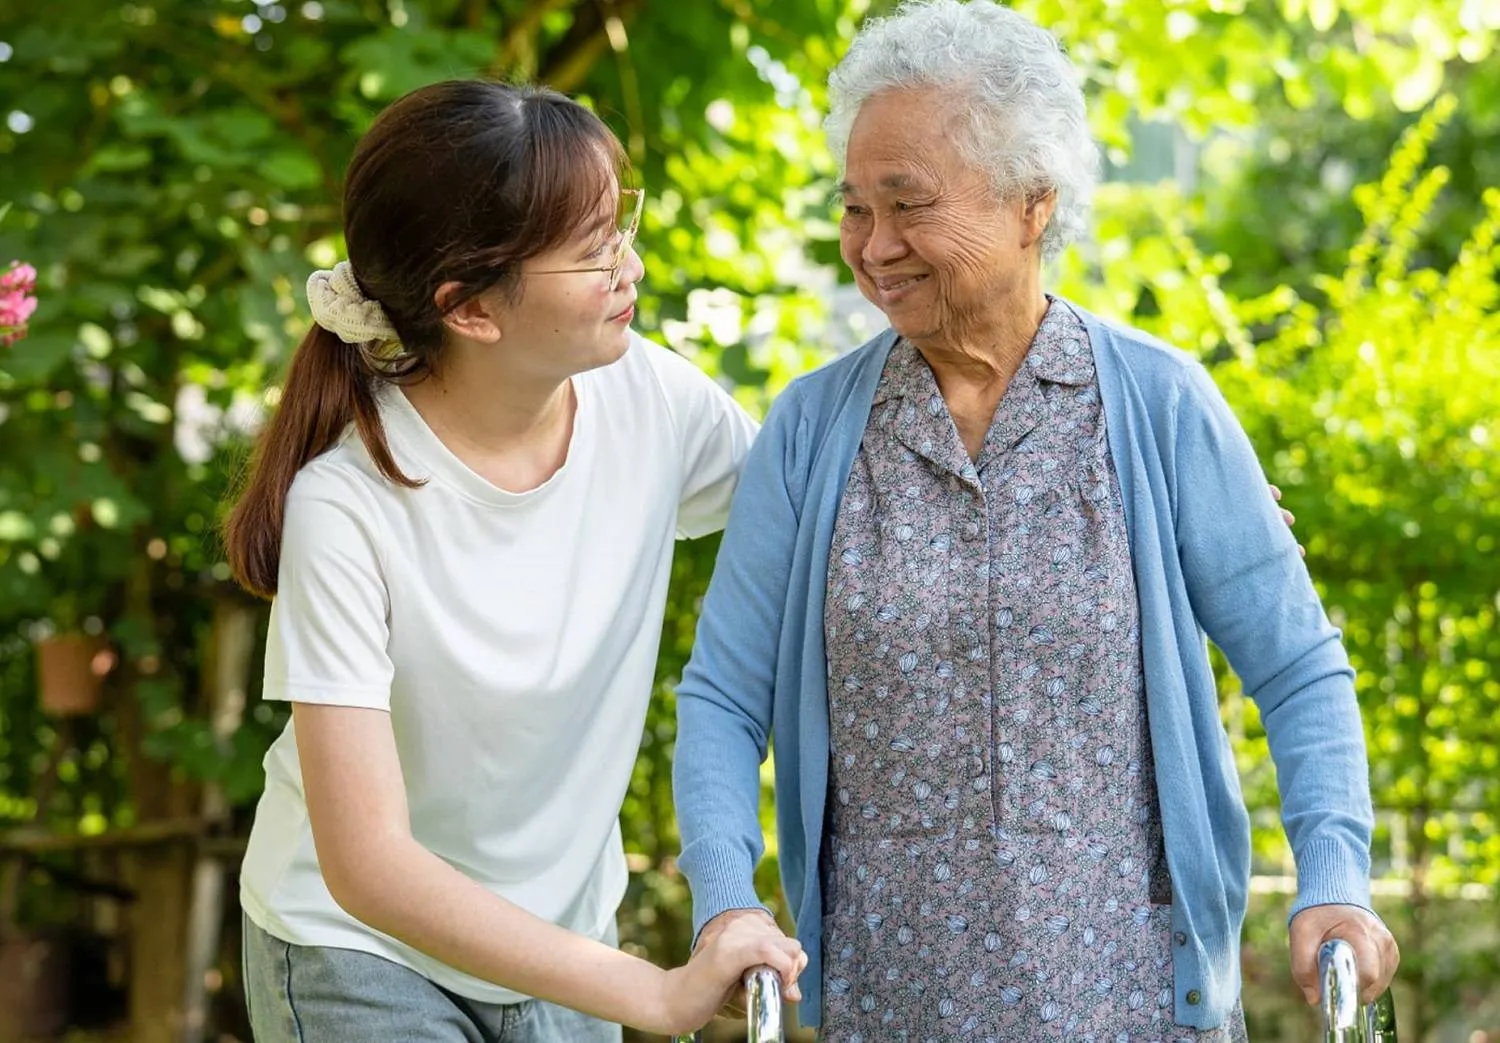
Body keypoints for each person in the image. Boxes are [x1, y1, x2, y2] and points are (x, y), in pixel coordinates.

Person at [671, 1, 1399, 1039]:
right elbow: (723, 697)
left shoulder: (1158, 405)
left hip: (1136, 1001)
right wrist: (726, 897)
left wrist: (1335, 874)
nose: (874, 246)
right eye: (853, 209)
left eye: (908, 204)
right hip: (891, 1003)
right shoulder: (812, 430)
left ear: (1033, 203)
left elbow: (1298, 667)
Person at [221, 79, 805, 1043]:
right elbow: (368, 865)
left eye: (623, 228)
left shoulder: (651, 400)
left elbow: (815, 523)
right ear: (471, 310)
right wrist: (649, 992)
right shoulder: (348, 506)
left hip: (559, 936)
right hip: (359, 950)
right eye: (592, 252)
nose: (631, 267)